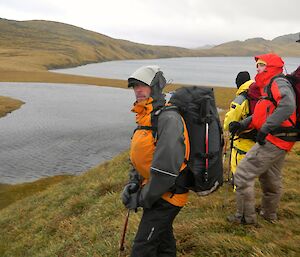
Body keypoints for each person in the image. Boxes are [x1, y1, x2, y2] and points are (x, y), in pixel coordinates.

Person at [121, 65, 190, 257]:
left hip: (168, 195)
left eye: (143, 85)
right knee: (162, 240)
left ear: (156, 87)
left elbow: (166, 171)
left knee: (142, 248)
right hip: (155, 191)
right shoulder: (147, 117)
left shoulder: (169, 119)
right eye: (135, 86)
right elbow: (140, 156)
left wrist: (142, 198)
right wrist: (134, 182)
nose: (138, 90)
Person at [227, 53, 296, 225]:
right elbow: (263, 111)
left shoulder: (277, 82)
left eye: (262, 65)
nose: (258, 68)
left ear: (271, 66)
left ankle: (245, 218)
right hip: (283, 138)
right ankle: (268, 214)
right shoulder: (269, 85)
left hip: (274, 138)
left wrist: (265, 129)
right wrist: (242, 124)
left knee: (242, 174)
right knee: (270, 178)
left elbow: (288, 106)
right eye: (257, 65)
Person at [224, 71, 259, 176]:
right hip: (258, 138)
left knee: (240, 170)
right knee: (250, 170)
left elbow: (229, 122)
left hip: (243, 140)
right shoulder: (258, 93)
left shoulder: (240, 99)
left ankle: (239, 189)